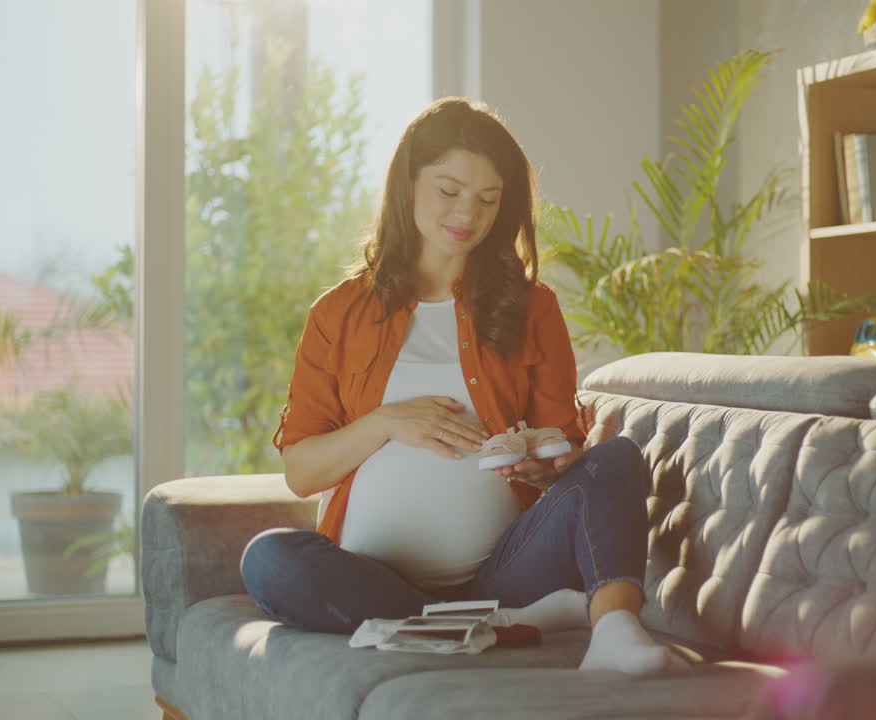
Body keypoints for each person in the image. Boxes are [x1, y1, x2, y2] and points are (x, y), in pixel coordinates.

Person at [240, 97, 681, 675]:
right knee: (269, 559)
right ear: (408, 184)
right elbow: (302, 471)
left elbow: (566, 451)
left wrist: (538, 461)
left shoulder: (533, 308)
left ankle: (617, 630)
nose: (466, 213)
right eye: (448, 190)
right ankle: (485, 620)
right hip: (372, 575)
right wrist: (386, 422)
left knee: (617, 458)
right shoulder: (338, 313)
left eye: (487, 198)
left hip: (508, 568)